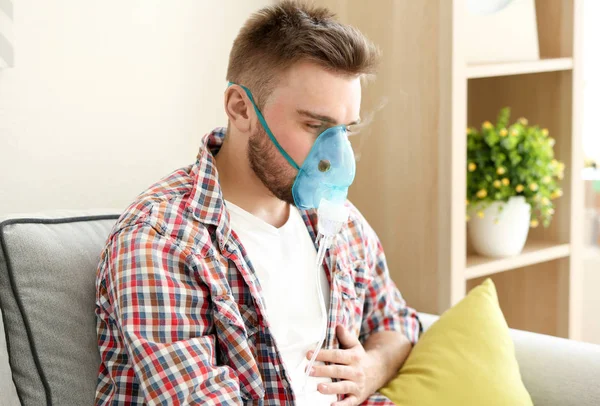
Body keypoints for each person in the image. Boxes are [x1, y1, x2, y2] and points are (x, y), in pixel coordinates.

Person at [95, 1, 421, 405]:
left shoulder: (337, 222)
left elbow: (396, 322)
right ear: (240, 108)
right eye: (315, 125)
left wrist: (372, 368)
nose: (334, 156)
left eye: (343, 131)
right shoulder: (161, 241)